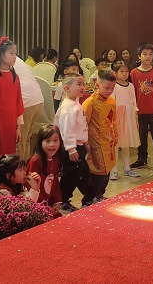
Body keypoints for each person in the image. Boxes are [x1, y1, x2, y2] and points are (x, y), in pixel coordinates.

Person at [54, 74, 92, 212]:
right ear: (67, 88)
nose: (83, 87)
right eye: (79, 84)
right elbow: (67, 130)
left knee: (75, 174)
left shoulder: (75, 104)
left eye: (83, 84)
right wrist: (71, 149)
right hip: (71, 147)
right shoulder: (68, 108)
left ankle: (78, 198)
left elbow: (79, 127)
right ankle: (68, 200)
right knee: (75, 175)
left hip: (78, 145)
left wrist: (85, 142)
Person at [129, 43, 153, 172]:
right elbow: (133, 93)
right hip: (140, 112)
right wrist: (133, 110)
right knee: (141, 137)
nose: (148, 56)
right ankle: (142, 159)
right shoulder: (134, 72)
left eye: (150, 54)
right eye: (144, 54)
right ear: (139, 56)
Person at [82, 69, 118, 204]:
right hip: (95, 142)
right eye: (106, 88)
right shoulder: (90, 102)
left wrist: (116, 135)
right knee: (98, 171)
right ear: (97, 85)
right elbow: (83, 123)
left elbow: (114, 120)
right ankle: (89, 198)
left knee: (107, 169)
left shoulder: (111, 101)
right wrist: (85, 142)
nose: (110, 91)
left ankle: (100, 194)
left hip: (108, 141)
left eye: (112, 88)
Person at [111, 61, 140, 179]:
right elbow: (112, 102)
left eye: (126, 71)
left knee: (126, 143)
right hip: (118, 116)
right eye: (121, 71)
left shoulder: (131, 86)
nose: (124, 74)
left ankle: (127, 168)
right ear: (115, 73)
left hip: (129, 116)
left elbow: (134, 102)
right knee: (116, 144)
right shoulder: (114, 86)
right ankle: (113, 170)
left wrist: (135, 117)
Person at [26, 124, 65, 214]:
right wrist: (43, 205)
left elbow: (54, 182)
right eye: (47, 141)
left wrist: (56, 202)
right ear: (40, 142)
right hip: (37, 207)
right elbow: (30, 185)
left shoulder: (55, 159)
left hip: (48, 204)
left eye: (55, 140)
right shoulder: (36, 161)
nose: (52, 144)